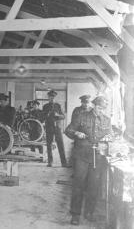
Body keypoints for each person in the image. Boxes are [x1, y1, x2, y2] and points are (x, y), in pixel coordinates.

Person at [65, 96, 112, 225]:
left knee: (94, 186)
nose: (100, 111)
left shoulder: (106, 120)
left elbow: (111, 134)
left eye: (103, 109)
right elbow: (68, 130)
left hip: (97, 157)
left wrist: (107, 139)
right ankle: (75, 214)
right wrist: (76, 133)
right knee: (78, 185)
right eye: (98, 107)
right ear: (94, 105)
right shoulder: (82, 116)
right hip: (81, 155)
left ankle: (89, 213)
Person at [42, 90, 67, 167]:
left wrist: (58, 115)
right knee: (49, 145)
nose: (52, 98)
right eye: (50, 97)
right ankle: (50, 162)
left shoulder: (58, 106)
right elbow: (42, 117)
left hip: (57, 127)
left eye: (53, 97)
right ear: (48, 98)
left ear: (55, 98)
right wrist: (47, 114)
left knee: (60, 144)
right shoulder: (45, 106)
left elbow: (63, 116)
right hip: (49, 127)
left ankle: (64, 162)